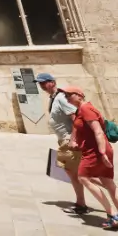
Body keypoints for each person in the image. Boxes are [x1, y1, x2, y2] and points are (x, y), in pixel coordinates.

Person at [62, 86, 118, 229]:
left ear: (80, 95)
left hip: (95, 152)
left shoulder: (86, 109)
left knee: (83, 178)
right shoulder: (81, 109)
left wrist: (102, 153)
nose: (66, 97)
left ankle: (112, 214)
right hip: (95, 150)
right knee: (108, 183)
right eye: (65, 95)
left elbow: (98, 132)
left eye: (69, 94)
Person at [34, 73, 87, 214]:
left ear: (52, 82)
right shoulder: (53, 97)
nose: (41, 85)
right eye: (40, 83)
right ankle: (81, 202)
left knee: (77, 173)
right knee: (74, 171)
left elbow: (75, 118)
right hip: (64, 139)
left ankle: (81, 203)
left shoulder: (62, 97)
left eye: (44, 82)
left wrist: (73, 139)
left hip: (69, 139)